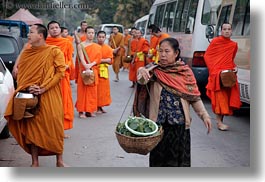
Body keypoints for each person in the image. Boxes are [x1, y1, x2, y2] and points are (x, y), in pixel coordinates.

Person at [135, 37, 212, 167]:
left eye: (167, 51)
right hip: (158, 126)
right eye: (161, 51)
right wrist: (141, 70)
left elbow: (194, 96)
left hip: (179, 125)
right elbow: (142, 80)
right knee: (158, 161)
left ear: (176, 53)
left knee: (178, 162)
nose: (163, 55)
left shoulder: (185, 72)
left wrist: (204, 115)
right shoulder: (154, 70)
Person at [4, 24, 67, 167]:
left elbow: (60, 73)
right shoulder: (26, 53)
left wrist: (43, 88)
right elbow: (22, 77)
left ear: (40, 35)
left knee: (55, 125)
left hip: (50, 94)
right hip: (30, 95)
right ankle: (35, 162)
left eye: (31, 32)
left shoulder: (54, 51)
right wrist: (27, 88)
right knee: (32, 127)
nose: (28, 35)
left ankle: (59, 160)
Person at [204, 22, 241, 131]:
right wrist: (214, 71)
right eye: (224, 29)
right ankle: (219, 122)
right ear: (221, 31)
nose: (227, 31)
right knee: (220, 99)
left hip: (228, 75)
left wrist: (235, 68)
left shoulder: (233, 45)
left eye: (229, 29)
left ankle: (221, 121)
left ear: (231, 31)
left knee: (227, 99)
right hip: (217, 75)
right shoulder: (215, 42)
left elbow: (231, 60)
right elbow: (207, 56)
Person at [46, 21, 74, 138]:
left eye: (56, 27)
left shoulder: (66, 43)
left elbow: (69, 59)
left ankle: (61, 130)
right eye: (52, 28)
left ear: (60, 29)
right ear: (48, 31)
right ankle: (49, 130)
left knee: (62, 103)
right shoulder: (45, 43)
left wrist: (66, 65)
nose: (54, 29)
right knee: (50, 104)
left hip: (62, 77)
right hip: (48, 77)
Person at [75, 26, 102, 118]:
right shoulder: (80, 45)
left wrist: (90, 65)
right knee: (82, 91)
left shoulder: (97, 47)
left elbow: (98, 59)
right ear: (86, 34)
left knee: (92, 91)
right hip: (83, 69)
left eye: (92, 33)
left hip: (93, 69)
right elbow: (81, 57)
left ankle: (89, 110)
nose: (91, 34)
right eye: (89, 33)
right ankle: (81, 111)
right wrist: (86, 65)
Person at [96, 31, 113, 113]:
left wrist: (99, 61)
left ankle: (100, 106)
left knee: (103, 90)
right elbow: (93, 60)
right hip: (95, 70)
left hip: (104, 71)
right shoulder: (94, 47)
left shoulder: (108, 48)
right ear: (97, 37)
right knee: (96, 89)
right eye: (99, 37)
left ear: (105, 38)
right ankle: (96, 106)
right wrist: (104, 60)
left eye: (103, 37)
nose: (101, 39)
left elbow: (110, 61)